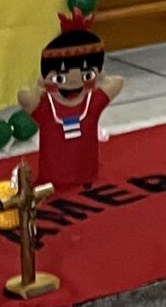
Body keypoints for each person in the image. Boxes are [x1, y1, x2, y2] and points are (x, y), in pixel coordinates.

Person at [18, 12, 119, 190]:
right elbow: (23, 96)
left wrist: (98, 76)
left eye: (85, 74)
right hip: (52, 182)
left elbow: (118, 82)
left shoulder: (91, 102)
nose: (73, 82)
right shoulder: (47, 106)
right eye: (61, 77)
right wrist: (39, 86)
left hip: (85, 179)